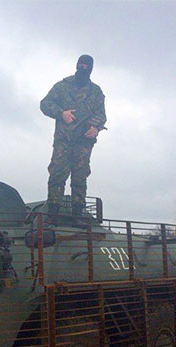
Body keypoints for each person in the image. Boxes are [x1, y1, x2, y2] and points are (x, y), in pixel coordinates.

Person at [40, 54, 107, 225]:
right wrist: (61, 113)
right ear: (76, 65)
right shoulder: (63, 86)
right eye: (81, 65)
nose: (83, 68)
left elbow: (101, 114)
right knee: (57, 174)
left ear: (91, 69)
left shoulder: (96, 92)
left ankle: (78, 213)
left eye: (87, 66)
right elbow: (45, 103)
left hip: (84, 142)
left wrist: (95, 128)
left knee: (80, 177)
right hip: (64, 139)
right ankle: (53, 213)